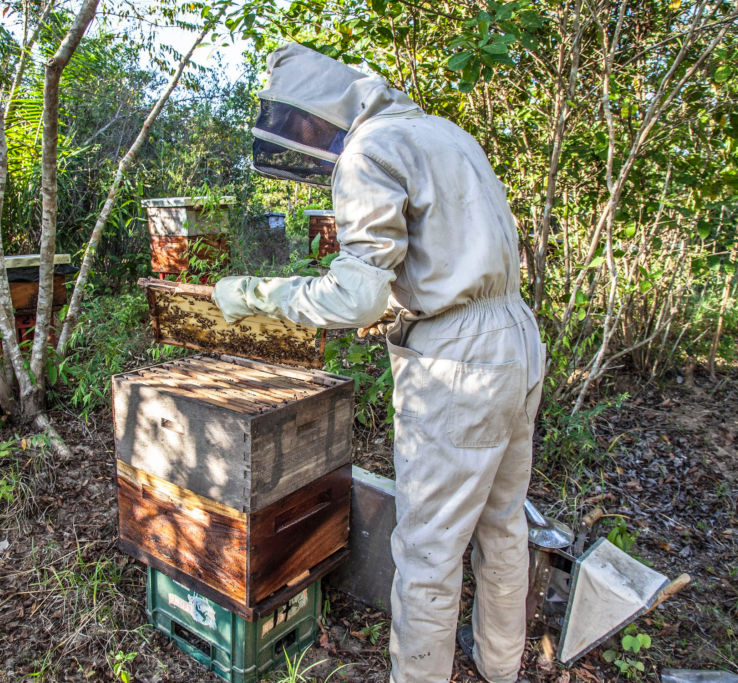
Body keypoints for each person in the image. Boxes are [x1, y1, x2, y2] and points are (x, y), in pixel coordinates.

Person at [212, 43, 545, 683]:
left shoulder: (368, 150)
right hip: (515, 338)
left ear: (322, 109)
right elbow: (440, 258)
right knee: (502, 524)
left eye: (300, 124)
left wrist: (254, 293)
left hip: (459, 362)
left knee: (429, 550)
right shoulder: (444, 133)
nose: (301, 142)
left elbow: (356, 294)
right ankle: (503, 668)